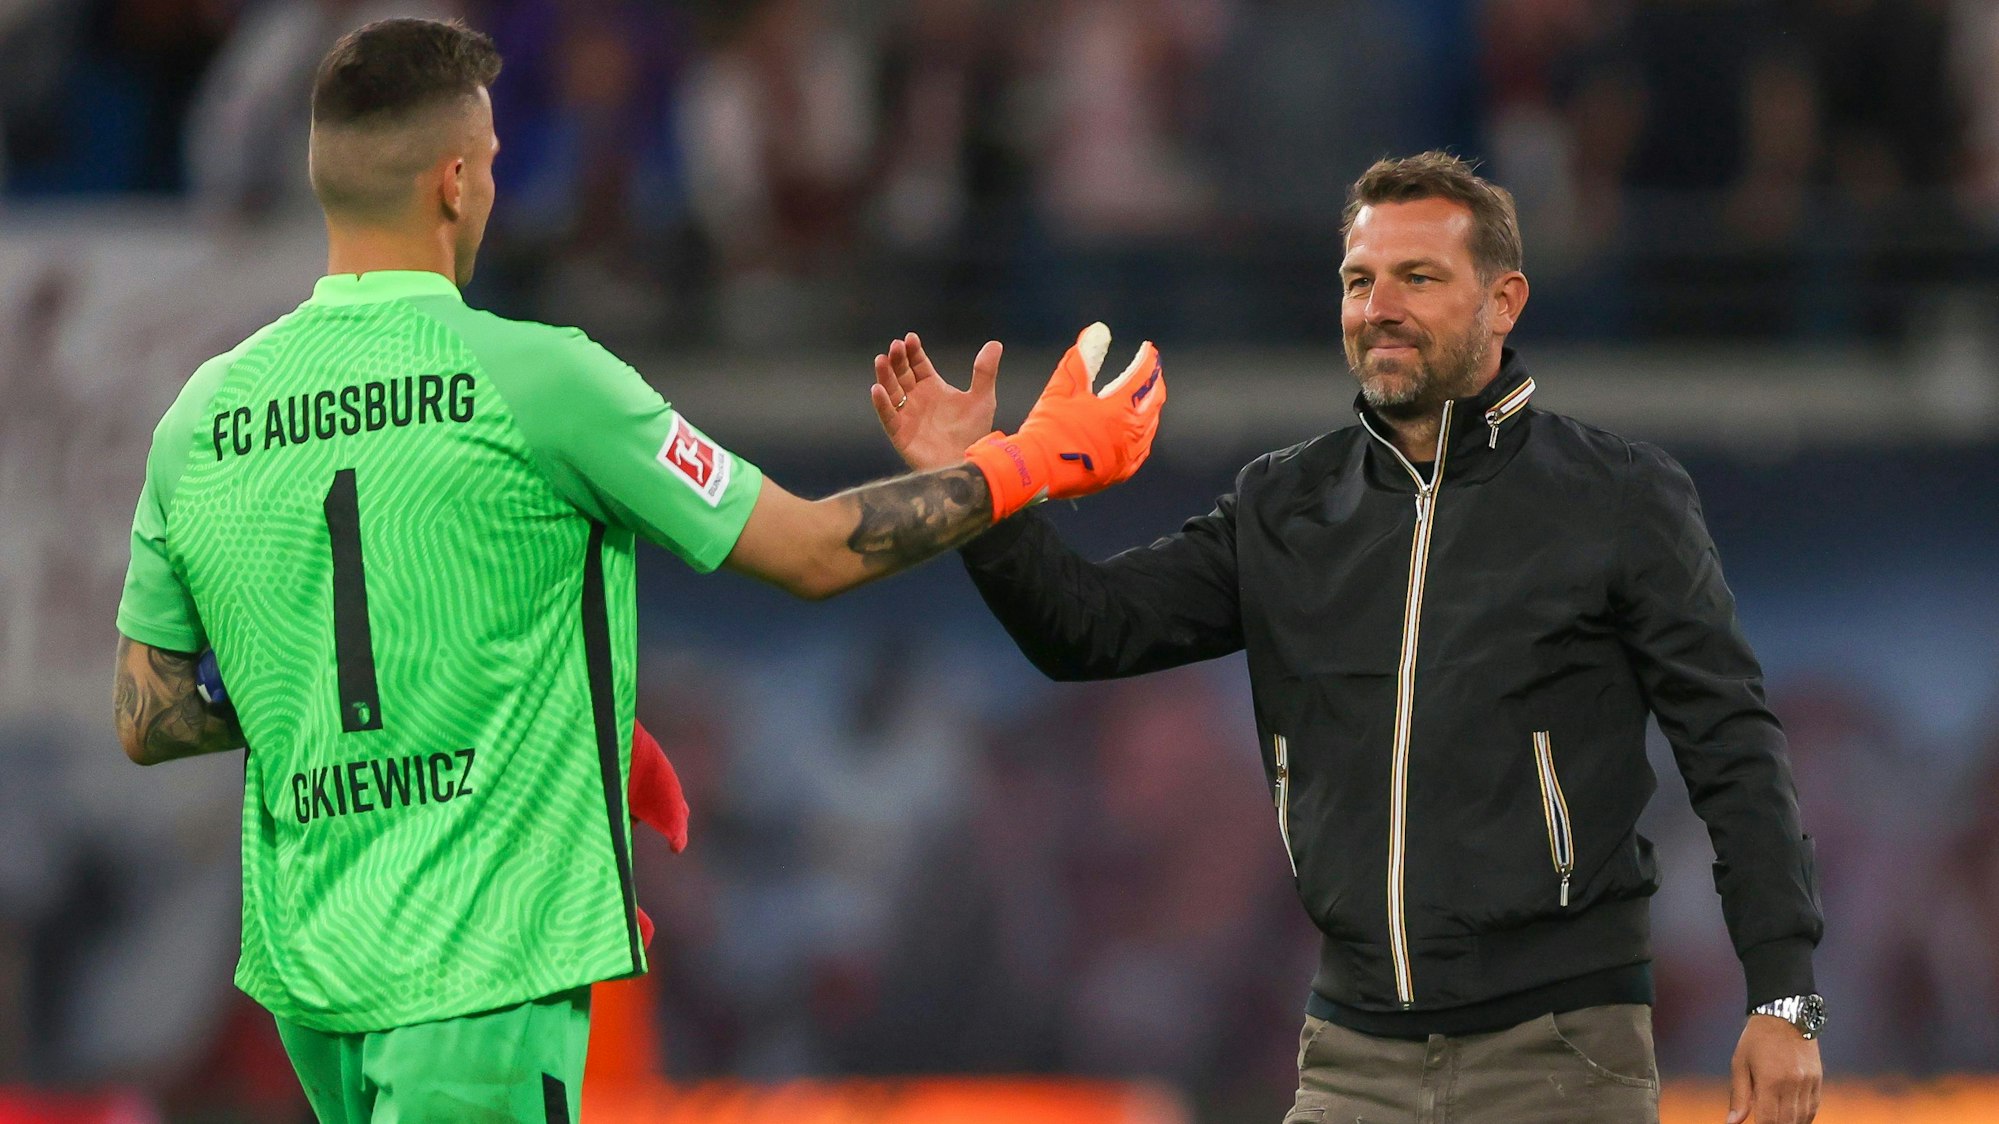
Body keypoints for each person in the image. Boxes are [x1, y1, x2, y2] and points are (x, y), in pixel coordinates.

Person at [111, 18, 1163, 1121]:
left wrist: (549, 710)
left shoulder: (202, 417)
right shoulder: (542, 380)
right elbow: (809, 550)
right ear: (458, 181)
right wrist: (1025, 464)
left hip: (317, 979)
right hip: (480, 983)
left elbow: (152, 712)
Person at [874, 151, 1824, 1124]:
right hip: (1349, 1058)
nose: (1379, 306)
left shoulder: (1620, 496)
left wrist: (1782, 993)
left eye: (1418, 277)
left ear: (1503, 302)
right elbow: (1085, 629)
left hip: (1560, 1053)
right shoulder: (1283, 502)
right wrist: (975, 489)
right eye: (1358, 280)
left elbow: (1734, 749)